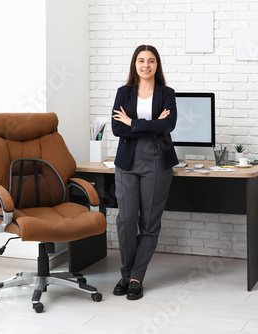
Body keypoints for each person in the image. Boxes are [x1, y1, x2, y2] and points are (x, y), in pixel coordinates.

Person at [111, 45, 178, 300]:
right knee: (125, 220)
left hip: (157, 161)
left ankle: (136, 277)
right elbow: (118, 129)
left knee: (149, 223)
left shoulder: (167, 93)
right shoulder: (123, 92)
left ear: (157, 65)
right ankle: (126, 273)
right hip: (127, 162)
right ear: (134, 64)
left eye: (151, 61)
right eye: (141, 60)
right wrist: (151, 125)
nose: (146, 65)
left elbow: (168, 125)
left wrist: (134, 123)